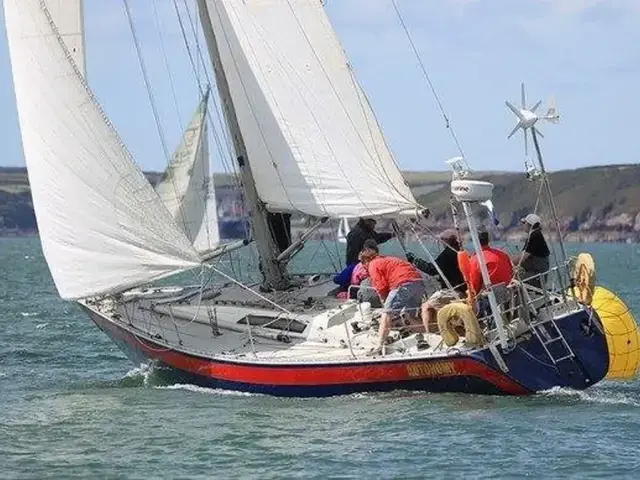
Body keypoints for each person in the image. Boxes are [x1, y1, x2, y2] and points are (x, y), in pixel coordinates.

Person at [358, 247, 425, 354]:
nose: (363, 266)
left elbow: (381, 285)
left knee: (386, 314)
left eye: (362, 263)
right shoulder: (388, 259)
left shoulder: (373, 264)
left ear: (366, 260)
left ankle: (379, 346)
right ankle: (428, 333)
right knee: (408, 316)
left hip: (402, 283)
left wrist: (385, 303)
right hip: (418, 282)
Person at [406, 230, 467, 333]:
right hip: (463, 288)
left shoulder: (448, 254)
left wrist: (415, 261)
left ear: (446, 241)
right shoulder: (461, 252)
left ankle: (429, 333)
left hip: (453, 291)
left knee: (425, 306)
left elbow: (432, 269)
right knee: (436, 304)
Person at [467, 227, 513, 298]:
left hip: (491, 300)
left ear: (474, 241)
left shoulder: (475, 260)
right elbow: (511, 272)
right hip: (509, 295)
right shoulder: (503, 255)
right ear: (488, 240)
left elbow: (474, 286)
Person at [512, 213, 550, 286]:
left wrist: (508, 261)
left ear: (529, 225)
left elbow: (523, 257)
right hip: (535, 273)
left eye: (524, 223)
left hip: (537, 276)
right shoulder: (535, 235)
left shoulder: (535, 237)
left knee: (513, 281)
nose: (523, 225)